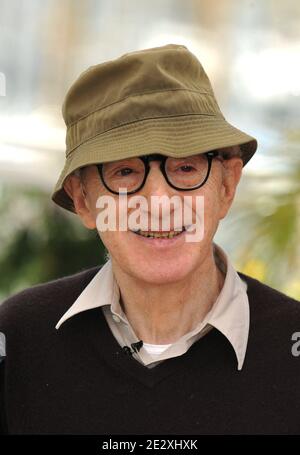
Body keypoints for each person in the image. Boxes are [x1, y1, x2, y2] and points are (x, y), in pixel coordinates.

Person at [0, 44, 299, 435]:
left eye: (186, 167)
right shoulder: (18, 339)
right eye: (124, 172)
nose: (158, 202)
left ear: (227, 186)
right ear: (83, 200)